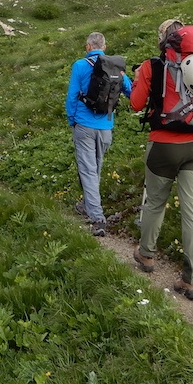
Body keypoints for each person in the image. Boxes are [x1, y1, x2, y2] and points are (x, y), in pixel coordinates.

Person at [129, 18, 193, 301]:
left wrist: (138, 79)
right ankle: (192, 281)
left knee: (156, 202)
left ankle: (146, 256)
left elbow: (135, 104)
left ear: (163, 40)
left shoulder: (152, 66)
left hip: (163, 146)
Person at [65, 32, 132, 236]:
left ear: (88, 46)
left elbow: (72, 96)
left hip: (84, 126)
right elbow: (130, 91)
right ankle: (87, 205)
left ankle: (97, 218)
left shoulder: (80, 65)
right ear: (104, 46)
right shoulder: (116, 68)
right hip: (106, 126)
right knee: (95, 167)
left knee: (87, 169)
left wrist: (72, 120)